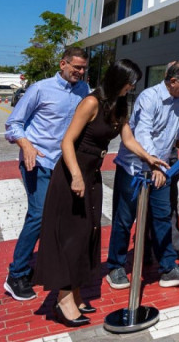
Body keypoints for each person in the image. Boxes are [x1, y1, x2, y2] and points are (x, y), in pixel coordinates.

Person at [33, 60, 168, 327]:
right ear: (118, 78)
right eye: (131, 81)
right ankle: (62, 298)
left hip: (92, 175)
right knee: (71, 236)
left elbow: (128, 140)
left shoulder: (119, 105)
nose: (133, 87)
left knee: (87, 235)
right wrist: (75, 176)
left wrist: (149, 158)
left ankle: (76, 292)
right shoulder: (91, 102)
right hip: (73, 174)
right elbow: (67, 141)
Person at [2, 47, 90, 302]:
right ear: (63, 63)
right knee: (39, 215)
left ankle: (51, 267)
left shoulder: (84, 91)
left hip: (64, 165)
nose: (80, 72)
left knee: (61, 219)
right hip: (38, 162)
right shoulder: (40, 88)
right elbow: (13, 124)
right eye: (76, 67)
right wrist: (26, 145)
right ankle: (16, 274)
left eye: (84, 68)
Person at [106, 61, 179, 289]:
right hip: (134, 168)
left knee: (162, 217)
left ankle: (168, 268)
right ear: (174, 81)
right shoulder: (149, 97)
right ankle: (115, 267)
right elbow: (143, 133)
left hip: (162, 169)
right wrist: (153, 165)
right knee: (124, 219)